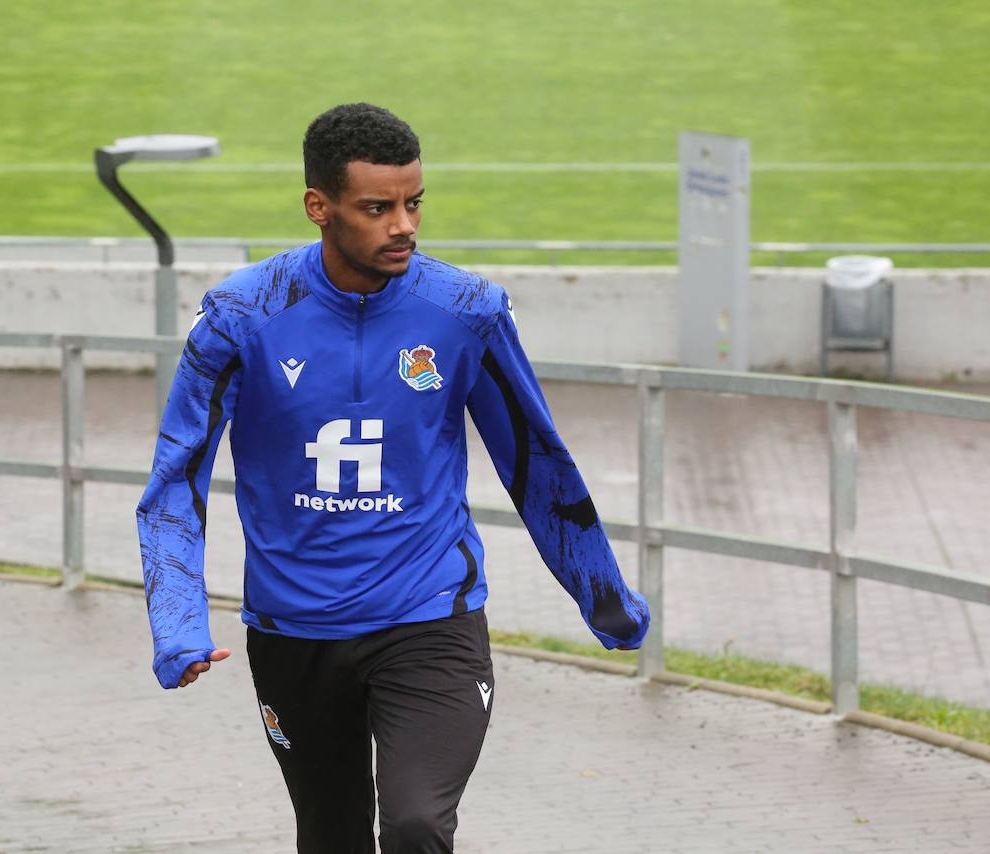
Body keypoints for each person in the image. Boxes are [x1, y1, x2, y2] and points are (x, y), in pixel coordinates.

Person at [136, 102, 649, 854]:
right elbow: (174, 481)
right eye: (377, 208)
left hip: (429, 618)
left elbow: (537, 461)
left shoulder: (465, 311)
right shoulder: (243, 315)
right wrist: (177, 623)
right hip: (294, 634)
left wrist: (602, 597)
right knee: (332, 838)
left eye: (413, 203)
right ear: (320, 207)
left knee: (414, 825)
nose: (403, 224)